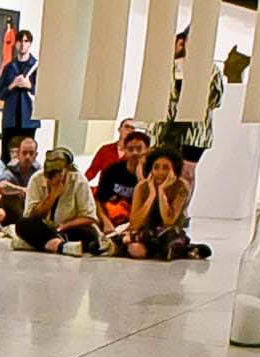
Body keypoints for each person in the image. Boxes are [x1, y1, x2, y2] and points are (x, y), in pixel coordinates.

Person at [154, 28, 223, 185]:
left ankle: (182, 206)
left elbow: (215, 100)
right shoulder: (169, 66)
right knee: (163, 169)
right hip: (167, 127)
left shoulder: (210, 69)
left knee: (187, 173)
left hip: (195, 131)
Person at [12, 147, 109, 257]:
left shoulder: (79, 180)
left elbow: (89, 217)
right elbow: (31, 215)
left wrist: (63, 226)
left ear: (67, 169)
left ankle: (41, 244)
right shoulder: (36, 179)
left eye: (58, 172)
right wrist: (52, 195)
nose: (53, 177)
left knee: (90, 236)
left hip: (68, 229)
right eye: (50, 174)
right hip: (44, 227)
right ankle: (62, 246)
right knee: (22, 224)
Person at [125, 145, 210, 260]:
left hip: (169, 233)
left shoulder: (181, 187)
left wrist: (161, 192)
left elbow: (168, 221)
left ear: (174, 170)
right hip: (147, 232)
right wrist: (151, 195)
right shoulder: (142, 187)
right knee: (136, 248)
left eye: (166, 168)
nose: (160, 172)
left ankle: (175, 249)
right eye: (156, 167)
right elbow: (134, 223)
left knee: (169, 238)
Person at [0, 30, 39, 163]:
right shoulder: (9, 67)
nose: (22, 45)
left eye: (26, 41)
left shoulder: (36, 66)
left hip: (29, 119)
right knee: (7, 155)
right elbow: (0, 94)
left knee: (27, 155)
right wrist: (12, 85)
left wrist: (29, 86)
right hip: (11, 119)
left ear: (30, 44)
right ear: (15, 44)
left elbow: (43, 94)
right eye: (20, 41)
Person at [96, 129, 150, 234]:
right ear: (125, 150)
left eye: (139, 149)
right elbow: (98, 200)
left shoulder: (152, 173)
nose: (135, 153)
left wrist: (140, 176)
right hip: (113, 220)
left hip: (139, 223)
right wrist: (106, 222)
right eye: (130, 149)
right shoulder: (112, 170)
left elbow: (149, 202)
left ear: (147, 150)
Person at [0, 135, 38, 223]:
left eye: (31, 153)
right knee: (10, 196)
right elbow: (2, 186)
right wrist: (22, 190)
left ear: (36, 155)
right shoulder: (12, 168)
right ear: (18, 154)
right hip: (14, 212)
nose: (27, 157)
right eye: (24, 153)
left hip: (32, 206)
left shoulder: (39, 170)